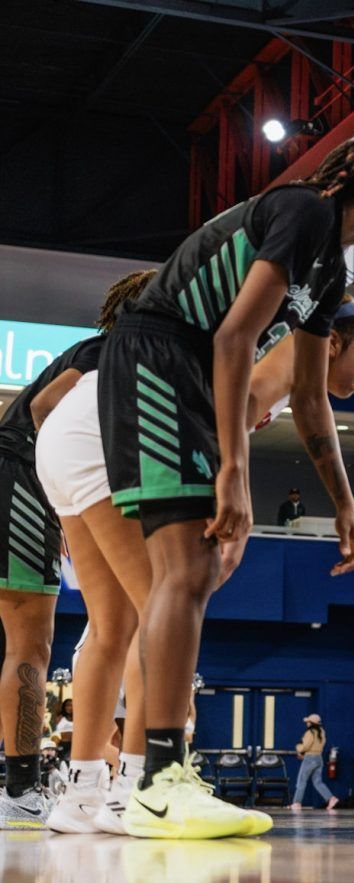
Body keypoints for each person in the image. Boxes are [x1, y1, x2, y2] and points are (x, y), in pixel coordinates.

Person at [97, 133, 354, 840]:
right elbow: (234, 336)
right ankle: (156, 780)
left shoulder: (328, 269)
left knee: (192, 571)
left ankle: (157, 777)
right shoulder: (304, 211)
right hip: (158, 351)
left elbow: (309, 396)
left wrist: (344, 507)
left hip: (179, 364)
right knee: (183, 570)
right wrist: (234, 471)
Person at [42, 288, 354, 834]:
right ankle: (142, 788)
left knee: (115, 627)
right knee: (158, 613)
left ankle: (81, 795)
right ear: (332, 340)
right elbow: (234, 415)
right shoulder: (293, 346)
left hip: (72, 433)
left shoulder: (264, 337)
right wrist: (236, 500)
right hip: (112, 432)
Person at [0, 273, 146, 829]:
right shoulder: (106, 350)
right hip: (22, 477)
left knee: (37, 639)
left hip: (27, 479)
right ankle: (20, 790)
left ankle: (30, 786)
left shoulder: (111, 352)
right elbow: (43, 409)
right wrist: (65, 503)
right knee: (30, 641)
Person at [291, 713, 337, 810]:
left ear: (311, 723)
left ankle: (297, 803)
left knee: (301, 781)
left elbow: (306, 746)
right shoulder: (322, 732)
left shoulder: (310, 732)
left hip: (309, 758)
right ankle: (330, 798)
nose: (306, 723)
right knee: (318, 782)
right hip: (319, 758)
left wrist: (298, 748)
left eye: (308, 722)